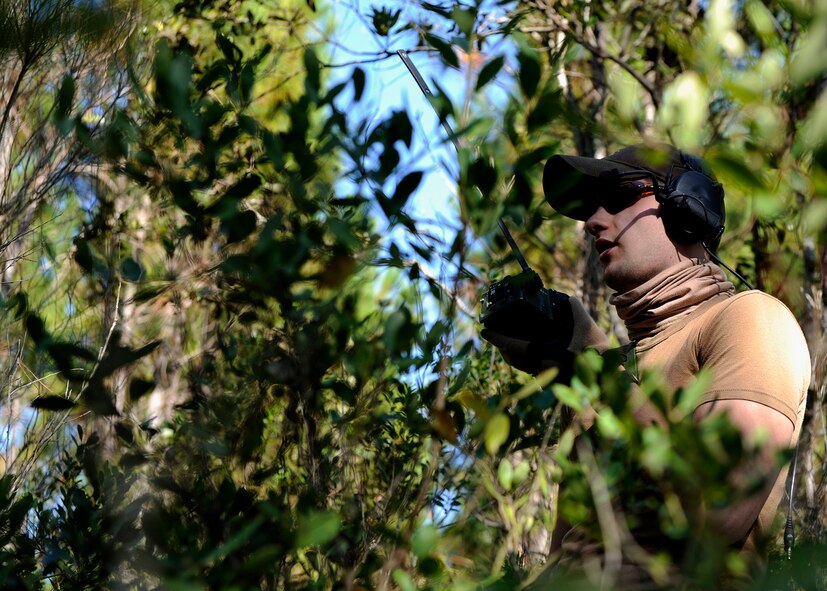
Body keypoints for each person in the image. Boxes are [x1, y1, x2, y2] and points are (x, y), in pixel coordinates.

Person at [481, 143, 811, 588]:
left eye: (618, 197)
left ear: (688, 207)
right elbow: (567, 556)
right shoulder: (608, 381)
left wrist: (595, 371)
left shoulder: (750, 318)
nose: (594, 221)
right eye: (588, 210)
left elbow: (720, 511)